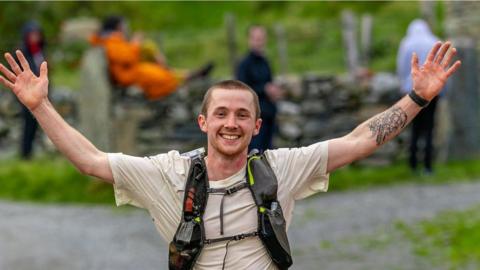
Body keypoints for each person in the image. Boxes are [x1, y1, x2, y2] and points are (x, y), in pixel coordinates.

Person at [0, 41, 460, 269]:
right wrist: (40, 106)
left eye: (242, 115)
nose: (231, 123)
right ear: (203, 122)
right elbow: (91, 161)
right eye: (220, 113)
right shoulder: (168, 174)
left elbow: (361, 139)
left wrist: (417, 99)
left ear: (257, 127)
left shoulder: (282, 168)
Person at [90, 16, 213, 101]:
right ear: (117, 27)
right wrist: (136, 43)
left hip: (132, 71)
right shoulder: (110, 42)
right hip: (128, 75)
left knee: (153, 58)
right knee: (161, 76)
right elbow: (126, 57)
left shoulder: (111, 40)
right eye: (123, 25)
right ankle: (188, 76)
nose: (125, 28)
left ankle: (188, 75)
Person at [397, 19, 442, 174]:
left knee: (415, 128)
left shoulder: (406, 43)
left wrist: (403, 85)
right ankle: (428, 166)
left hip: (413, 91)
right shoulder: (435, 41)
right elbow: (442, 67)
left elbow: (402, 67)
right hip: (432, 91)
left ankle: (413, 164)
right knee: (430, 128)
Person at [236, 25, 283, 152]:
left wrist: (274, 91)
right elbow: (241, 89)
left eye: (261, 38)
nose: (259, 41)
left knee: (268, 154)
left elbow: (269, 82)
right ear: (249, 40)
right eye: (256, 38)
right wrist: (264, 89)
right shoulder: (244, 64)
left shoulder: (265, 61)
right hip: (254, 117)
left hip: (269, 115)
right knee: (255, 154)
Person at [17, 21, 46, 159]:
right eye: (32, 34)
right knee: (28, 125)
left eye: (37, 34)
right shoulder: (22, 52)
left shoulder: (40, 51)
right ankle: (25, 153)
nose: (35, 37)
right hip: (26, 95)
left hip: (40, 94)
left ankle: (30, 153)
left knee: (36, 125)